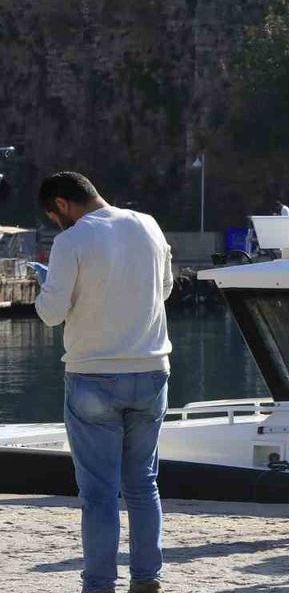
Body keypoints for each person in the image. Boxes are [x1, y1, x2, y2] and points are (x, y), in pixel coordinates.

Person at [32, 172, 173, 593]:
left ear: (61, 204)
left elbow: (51, 314)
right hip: (151, 370)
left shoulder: (71, 241)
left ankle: (99, 584)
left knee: (99, 492)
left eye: (53, 215)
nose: (56, 222)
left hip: (93, 374)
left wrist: (45, 284)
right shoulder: (148, 224)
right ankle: (146, 578)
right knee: (143, 484)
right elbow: (165, 289)